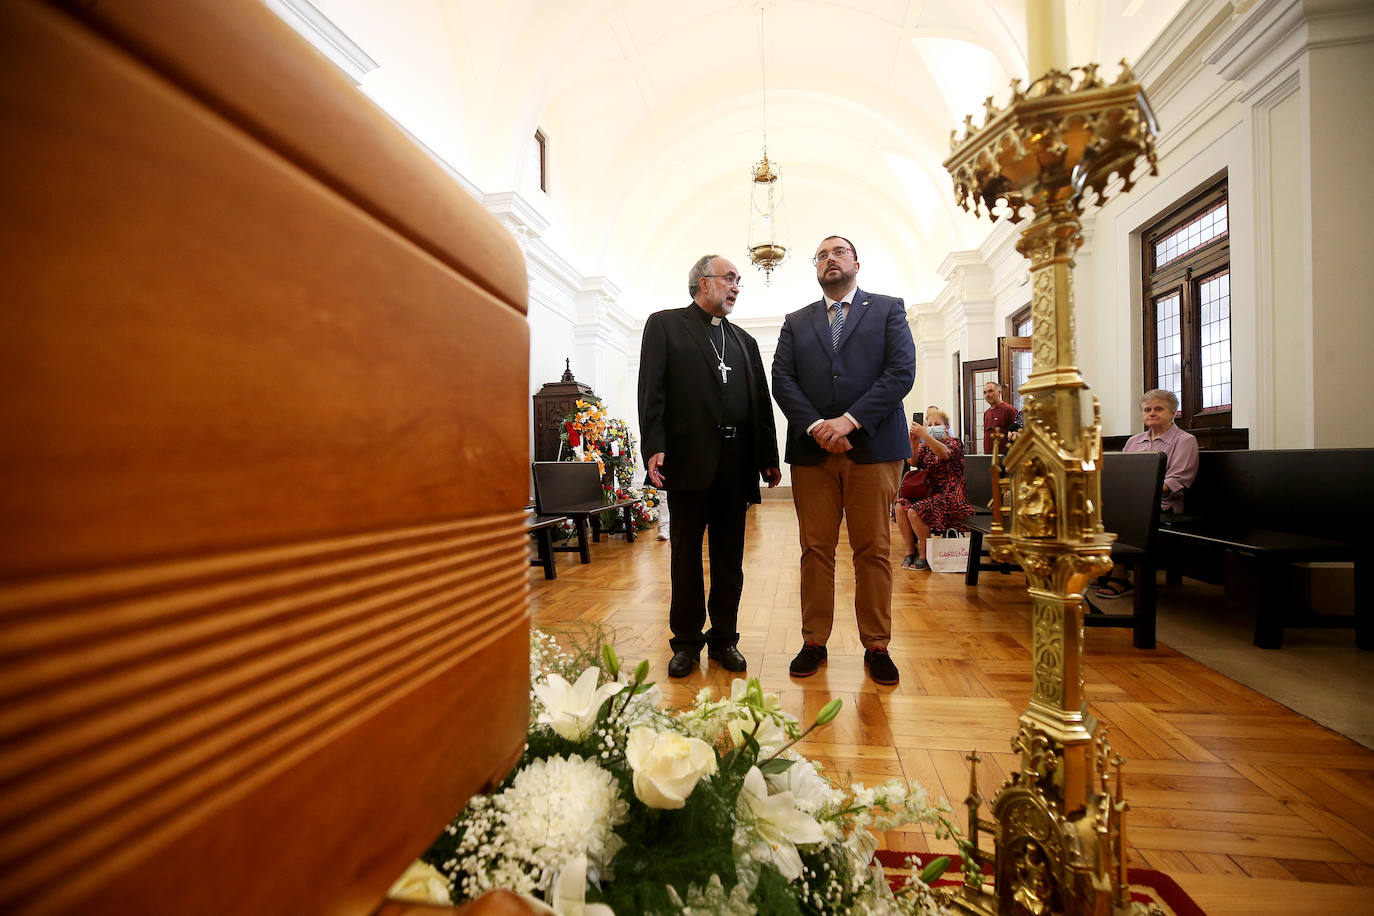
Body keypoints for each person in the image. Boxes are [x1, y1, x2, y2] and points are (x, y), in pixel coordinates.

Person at [772, 236, 915, 685]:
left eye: (839, 252)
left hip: (873, 450)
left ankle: (877, 646)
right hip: (814, 454)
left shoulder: (889, 309)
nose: (830, 259)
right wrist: (818, 426)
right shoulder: (797, 322)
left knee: (873, 549)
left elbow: (900, 372)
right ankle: (814, 640)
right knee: (815, 550)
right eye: (821, 255)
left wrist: (850, 421)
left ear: (856, 261)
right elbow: (782, 378)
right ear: (815, 268)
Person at [638, 254, 781, 676]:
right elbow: (653, 390)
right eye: (729, 279)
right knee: (684, 557)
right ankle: (685, 642)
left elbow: (760, 404)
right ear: (703, 283)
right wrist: (655, 444)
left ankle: (724, 640)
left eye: (739, 281)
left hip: (734, 468)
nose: (736, 286)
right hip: (687, 462)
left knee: (729, 559)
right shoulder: (664, 325)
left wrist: (768, 458)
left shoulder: (744, 341)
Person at [1093, 388, 1199, 599]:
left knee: (1122, 510)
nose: (1151, 413)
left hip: (1165, 506)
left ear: (1173, 413)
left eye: (1158, 409)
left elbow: (1177, 481)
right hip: (1133, 501)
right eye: (1147, 409)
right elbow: (1122, 475)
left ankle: (1120, 575)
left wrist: (1136, 493)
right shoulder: (1134, 441)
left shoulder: (1185, 441)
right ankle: (1103, 565)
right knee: (1093, 507)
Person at [895, 407, 974, 570]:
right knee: (900, 506)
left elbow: (945, 454)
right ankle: (910, 551)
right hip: (930, 493)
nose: (932, 427)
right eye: (929, 424)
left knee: (914, 511)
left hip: (951, 496)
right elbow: (912, 462)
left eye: (936, 424)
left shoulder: (955, 442)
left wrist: (925, 435)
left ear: (946, 427)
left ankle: (925, 556)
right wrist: (914, 442)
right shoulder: (926, 446)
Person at [982, 381, 1019, 454]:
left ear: (999, 392)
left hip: (1005, 457)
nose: (987, 395)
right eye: (985, 392)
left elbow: (1017, 432)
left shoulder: (1009, 410)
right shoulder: (986, 413)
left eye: (990, 391)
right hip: (989, 457)